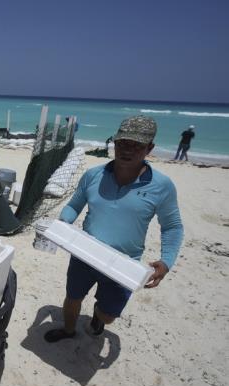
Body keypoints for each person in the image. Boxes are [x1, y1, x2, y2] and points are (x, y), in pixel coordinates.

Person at [44, 115, 184, 342]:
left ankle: (99, 318)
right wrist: (62, 225)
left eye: (136, 146)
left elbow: (173, 227)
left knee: (109, 315)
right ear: (114, 143)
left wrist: (167, 260)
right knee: (72, 297)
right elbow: (73, 206)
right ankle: (68, 331)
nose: (126, 150)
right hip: (85, 253)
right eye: (122, 143)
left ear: (150, 148)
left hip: (124, 262)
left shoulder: (162, 186)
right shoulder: (93, 175)